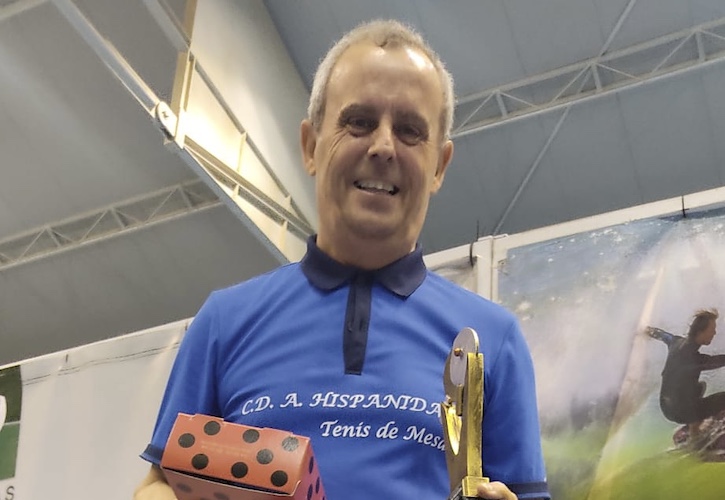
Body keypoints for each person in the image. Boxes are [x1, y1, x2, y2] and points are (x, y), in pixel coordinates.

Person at [134, 19, 549, 500]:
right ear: (310, 147)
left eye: (411, 130)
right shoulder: (225, 322)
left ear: (439, 165)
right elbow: (160, 485)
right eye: (359, 121)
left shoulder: (494, 341)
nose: (383, 146)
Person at [647, 309, 725, 438]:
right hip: (681, 411)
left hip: (666, 407)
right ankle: (695, 439)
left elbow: (664, 336)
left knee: (699, 386)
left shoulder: (676, 342)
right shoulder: (693, 359)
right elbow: (717, 361)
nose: (715, 333)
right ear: (701, 331)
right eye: (712, 329)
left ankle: (694, 425)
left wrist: (648, 330)